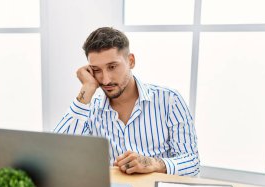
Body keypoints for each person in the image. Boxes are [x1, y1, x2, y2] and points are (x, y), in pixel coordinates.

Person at [54, 27, 199, 176]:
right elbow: (55, 156)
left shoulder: (170, 100)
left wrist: (154, 164)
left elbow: (193, 164)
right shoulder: (90, 108)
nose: (105, 79)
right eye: (96, 70)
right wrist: (87, 87)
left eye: (112, 67)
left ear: (131, 61)